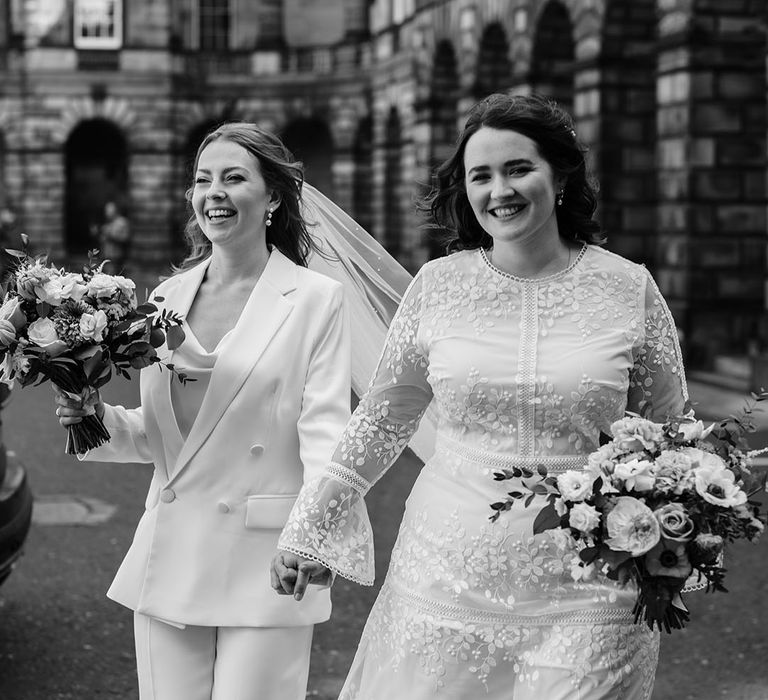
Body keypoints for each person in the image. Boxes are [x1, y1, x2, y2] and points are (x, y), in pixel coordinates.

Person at [273, 93, 688, 699]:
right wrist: (311, 527)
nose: (501, 190)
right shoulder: (437, 287)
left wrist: (683, 538)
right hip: (445, 573)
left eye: (519, 168)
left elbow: (669, 434)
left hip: (596, 581)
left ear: (561, 174)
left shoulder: (629, 287)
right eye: (481, 175)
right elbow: (384, 419)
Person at [53, 123, 351, 700]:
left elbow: (325, 432)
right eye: (202, 180)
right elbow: (167, 438)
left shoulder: (316, 300)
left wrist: (314, 536)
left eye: (234, 178)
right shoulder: (165, 299)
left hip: (270, 560)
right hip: (173, 553)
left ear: (272, 198)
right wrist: (94, 418)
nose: (213, 191)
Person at [99, 201, 131, 273]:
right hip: (105, 257)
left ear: (116, 210)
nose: (106, 213)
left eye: (109, 210)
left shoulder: (122, 222)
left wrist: (110, 235)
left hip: (117, 258)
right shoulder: (107, 223)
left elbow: (126, 239)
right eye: (106, 210)